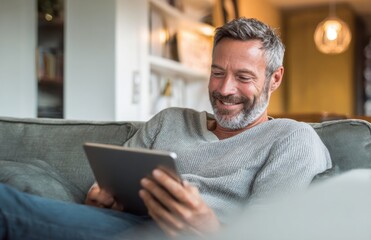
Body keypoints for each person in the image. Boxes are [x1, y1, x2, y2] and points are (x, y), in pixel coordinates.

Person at [0, 17, 331, 239]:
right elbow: (107, 186)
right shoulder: (170, 120)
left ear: (275, 78)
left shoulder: (293, 138)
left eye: (243, 77)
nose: (225, 88)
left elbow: (269, 233)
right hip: (125, 224)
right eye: (217, 72)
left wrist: (210, 229)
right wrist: (100, 197)